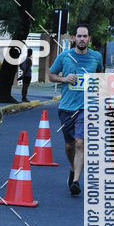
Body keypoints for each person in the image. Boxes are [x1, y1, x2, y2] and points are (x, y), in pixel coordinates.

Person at [48, 24, 104, 197]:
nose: (81, 39)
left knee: (80, 143)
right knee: (69, 145)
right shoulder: (65, 56)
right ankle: (73, 168)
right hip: (66, 107)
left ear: (89, 38)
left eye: (85, 36)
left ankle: (76, 181)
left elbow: (101, 76)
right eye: (79, 36)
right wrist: (64, 78)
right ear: (74, 38)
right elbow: (50, 75)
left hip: (86, 107)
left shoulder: (96, 57)